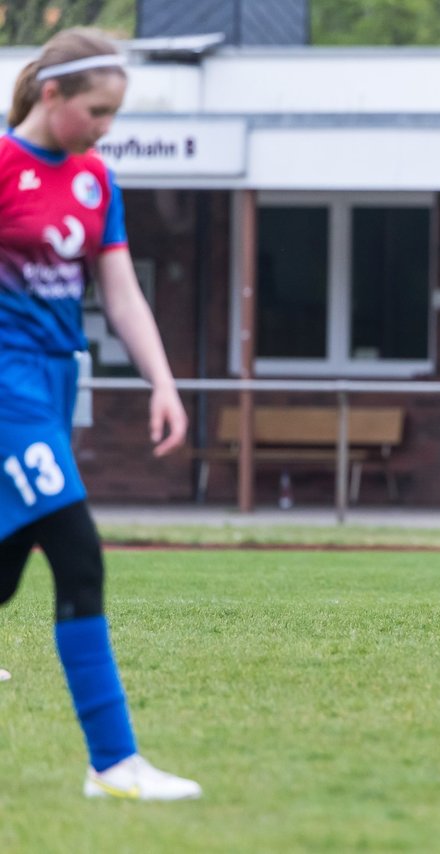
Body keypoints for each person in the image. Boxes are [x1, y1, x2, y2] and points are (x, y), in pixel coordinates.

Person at [0, 29, 202, 798]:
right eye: (97, 111)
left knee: (9, 568)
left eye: (115, 113)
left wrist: (162, 382)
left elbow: (119, 293)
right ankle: (113, 762)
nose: (106, 127)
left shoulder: (95, 180)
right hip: (5, 386)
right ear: (51, 95)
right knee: (78, 552)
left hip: (54, 385)